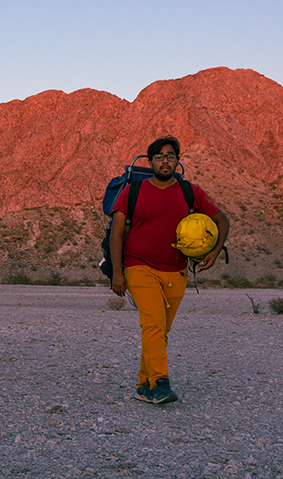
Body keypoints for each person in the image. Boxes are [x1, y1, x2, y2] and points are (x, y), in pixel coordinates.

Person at [110, 136, 229, 404]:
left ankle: (143, 385)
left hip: (176, 271)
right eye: (160, 156)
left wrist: (215, 250)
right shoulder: (134, 191)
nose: (166, 161)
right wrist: (118, 273)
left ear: (177, 161)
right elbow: (116, 233)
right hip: (138, 266)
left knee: (159, 330)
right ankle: (161, 384)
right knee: (152, 324)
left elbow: (222, 220)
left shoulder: (191, 192)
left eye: (171, 156)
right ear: (150, 161)